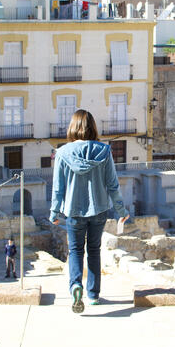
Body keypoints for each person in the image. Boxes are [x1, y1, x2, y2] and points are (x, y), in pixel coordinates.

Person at [50, 109, 129, 313]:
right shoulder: (104, 151)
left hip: (73, 212)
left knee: (76, 250)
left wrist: (54, 212)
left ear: (73, 127)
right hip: (99, 210)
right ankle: (93, 295)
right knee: (94, 250)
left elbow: (58, 187)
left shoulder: (62, 153)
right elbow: (112, 184)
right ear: (93, 127)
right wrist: (121, 210)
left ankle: (76, 286)